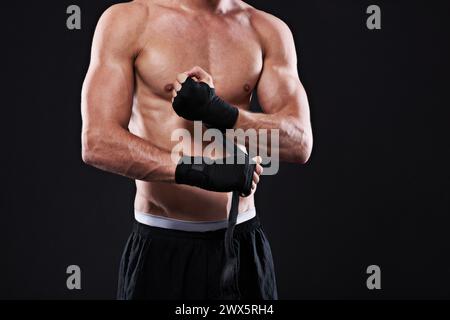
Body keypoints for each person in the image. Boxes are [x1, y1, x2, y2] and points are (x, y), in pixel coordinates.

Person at [81, 0, 312, 300]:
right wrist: (199, 172)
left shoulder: (266, 29)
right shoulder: (129, 21)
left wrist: (223, 114)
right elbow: (97, 141)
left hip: (240, 246)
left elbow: (299, 142)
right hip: (162, 247)